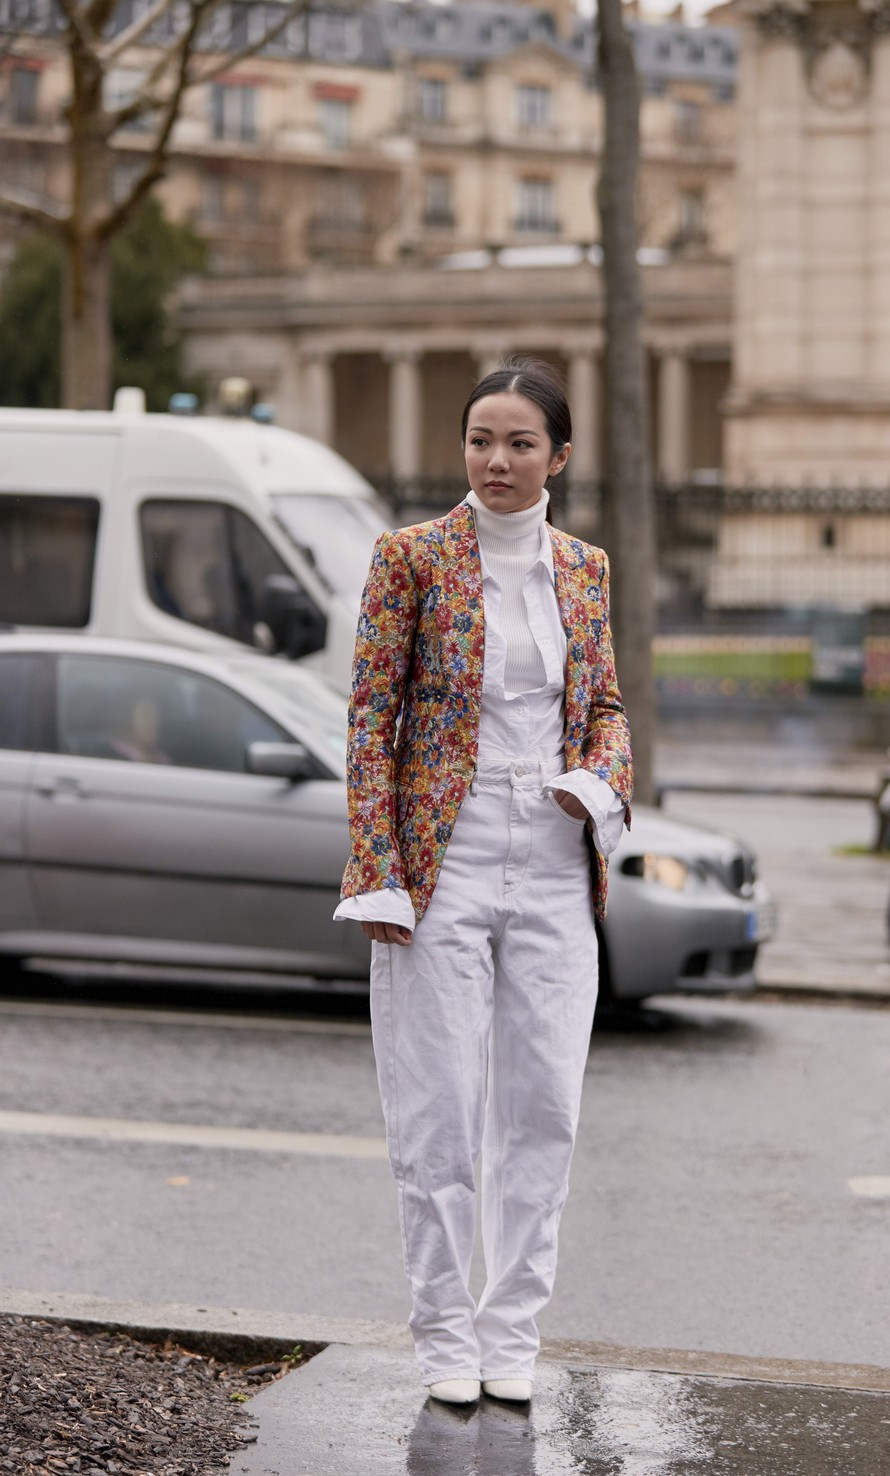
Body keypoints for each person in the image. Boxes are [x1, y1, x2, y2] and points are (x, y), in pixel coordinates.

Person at [334, 357, 633, 1408]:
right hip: (444, 855)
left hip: (554, 852)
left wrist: (600, 781)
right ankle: (442, 1333)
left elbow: (604, 706)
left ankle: (514, 1331)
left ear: (558, 456)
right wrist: (377, 870)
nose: (496, 461)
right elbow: (372, 721)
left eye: (518, 443)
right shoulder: (410, 558)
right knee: (441, 1110)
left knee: (544, 1107)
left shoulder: (584, 568)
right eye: (480, 440)